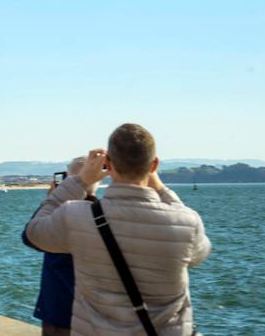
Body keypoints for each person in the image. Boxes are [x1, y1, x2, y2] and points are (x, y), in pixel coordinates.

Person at [26, 124, 212, 335]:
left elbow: (32, 234)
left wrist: (80, 181)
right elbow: (201, 253)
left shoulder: (76, 216)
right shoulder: (187, 222)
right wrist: (161, 189)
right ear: (154, 165)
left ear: (108, 165)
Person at [22, 157, 93, 336]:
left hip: (57, 307)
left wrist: (52, 201)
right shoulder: (100, 213)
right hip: (86, 310)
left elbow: (31, 236)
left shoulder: (59, 216)